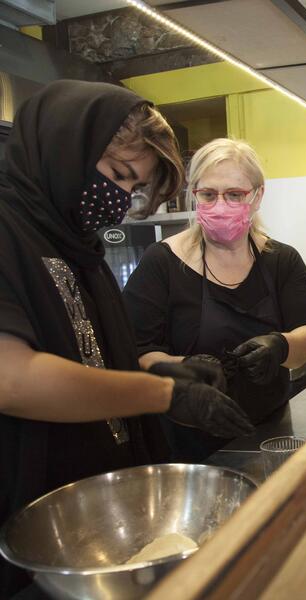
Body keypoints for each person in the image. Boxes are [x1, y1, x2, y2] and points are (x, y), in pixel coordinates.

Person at [0, 81, 253, 596]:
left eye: (132, 188)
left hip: (93, 519)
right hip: (32, 521)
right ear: (66, 144)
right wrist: (161, 395)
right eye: (117, 175)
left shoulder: (74, 245)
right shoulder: (7, 230)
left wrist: (157, 372)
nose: (118, 199)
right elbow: (14, 377)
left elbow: (85, 360)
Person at [122, 138, 306, 461]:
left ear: (257, 196)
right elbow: (137, 352)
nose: (220, 205)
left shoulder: (282, 261)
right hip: (186, 442)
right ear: (194, 194)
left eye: (234, 195)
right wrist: (184, 367)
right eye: (209, 194)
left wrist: (280, 346)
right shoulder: (162, 264)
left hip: (269, 435)